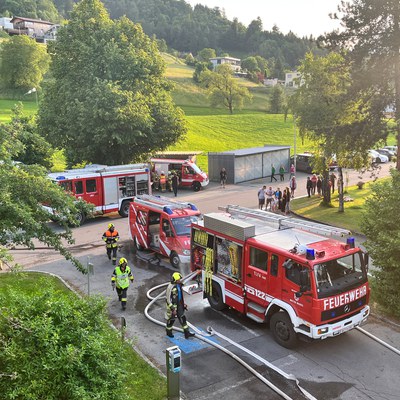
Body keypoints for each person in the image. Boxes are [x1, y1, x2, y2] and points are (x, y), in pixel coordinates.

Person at [165, 272, 195, 339]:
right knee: (171, 320)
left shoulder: (179, 285)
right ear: (175, 280)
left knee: (183, 318)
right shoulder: (170, 287)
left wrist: (183, 304)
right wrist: (173, 309)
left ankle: (187, 333)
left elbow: (180, 296)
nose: (180, 280)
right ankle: (168, 332)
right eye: (179, 279)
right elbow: (168, 299)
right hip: (173, 307)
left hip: (180, 305)